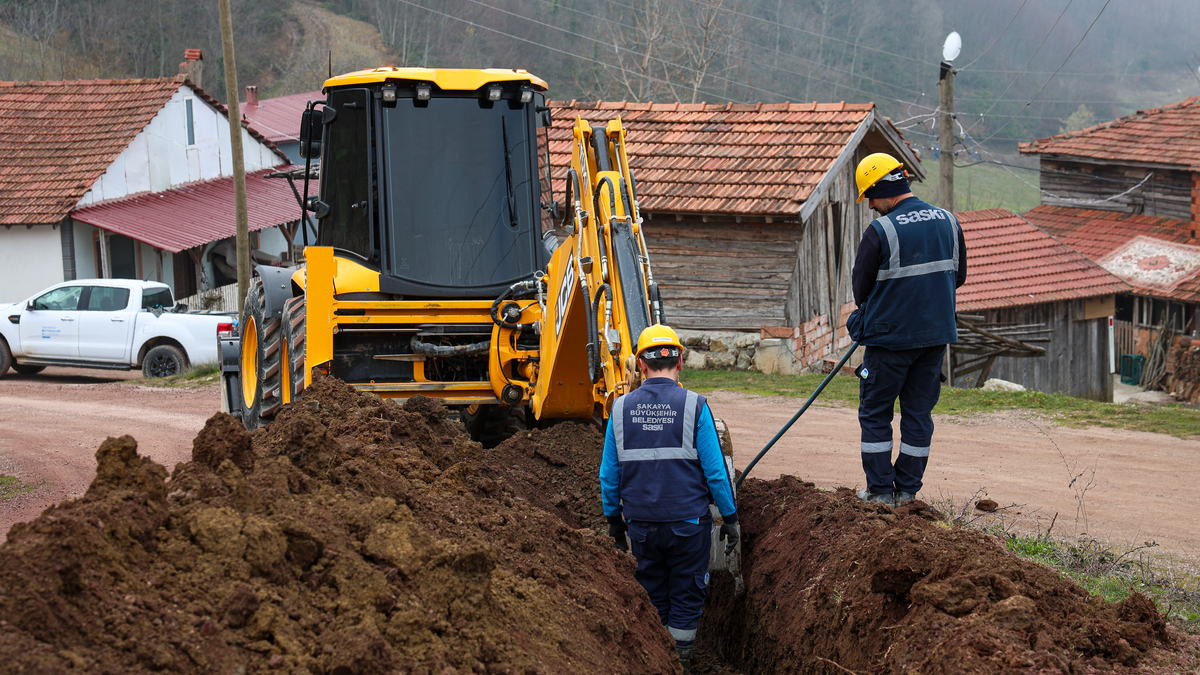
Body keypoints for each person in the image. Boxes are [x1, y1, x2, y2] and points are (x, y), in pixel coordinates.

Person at [599, 324, 739, 673]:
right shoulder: (695, 405)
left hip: (642, 526)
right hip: (688, 526)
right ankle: (683, 662)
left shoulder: (618, 410)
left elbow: (608, 476)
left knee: (653, 593)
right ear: (680, 363)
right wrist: (731, 517)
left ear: (639, 365)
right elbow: (716, 473)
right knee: (687, 595)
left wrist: (615, 523)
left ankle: (657, 660)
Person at [847, 153, 967, 507]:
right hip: (935, 337)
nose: (870, 206)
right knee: (918, 413)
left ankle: (881, 492)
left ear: (882, 188)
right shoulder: (949, 221)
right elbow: (957, 277)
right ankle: (908, 492)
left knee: (875, 412)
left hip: (889, 341)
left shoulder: (880, 231)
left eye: (870, 196)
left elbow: (861, 291)